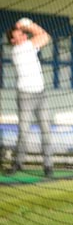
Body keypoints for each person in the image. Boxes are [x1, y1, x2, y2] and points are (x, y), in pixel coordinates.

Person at [5, 17, 53, 177]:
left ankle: (48, 166)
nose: (24, 35)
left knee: (46, 131)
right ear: (13, 40)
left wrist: (26, 26)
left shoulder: (28, 46)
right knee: (24, 131)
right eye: (20, 34)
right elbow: (44, 36)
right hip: (25, 96)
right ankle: (17, 163)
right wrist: (27, 24)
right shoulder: (19, 50)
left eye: (24, 33)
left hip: (41, 94)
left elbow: (44, 37)